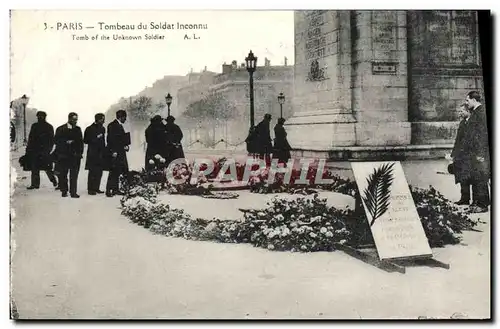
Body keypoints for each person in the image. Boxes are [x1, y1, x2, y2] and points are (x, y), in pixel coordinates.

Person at [464, 91, 490, 213]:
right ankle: (476, 202)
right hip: (473, 152)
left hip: (479, 153)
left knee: (480, 177)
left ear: (474, 100)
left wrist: (480, 153)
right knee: (475, 177)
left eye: (467, 100)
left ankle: (483, 204)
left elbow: (482, 135)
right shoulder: (476, 112)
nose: (466, 102)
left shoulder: (481, 113)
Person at [25, 111, 58, 190]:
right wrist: (28, 149)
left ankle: (54, 181)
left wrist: (48, 150)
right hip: (35, 150)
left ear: (45, 117)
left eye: (41, 116)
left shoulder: (49, 127)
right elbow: (31, 138)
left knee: (47, 168)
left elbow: (52, 140)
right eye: (39, 116)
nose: (40, 117)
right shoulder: (34, 126)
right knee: (34, 168)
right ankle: (35, 184)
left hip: (45, 151)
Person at [54, 112, 84, 198]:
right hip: (64, 156)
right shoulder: (60, 129)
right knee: (63, 174)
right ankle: (64, 191)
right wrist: (65, 142)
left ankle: (73, 192)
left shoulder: (78, 129)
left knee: (74, 176)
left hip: (75, 156)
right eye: (74, 119)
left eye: (76, 119)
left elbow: (80, 142)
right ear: (69, 119)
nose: (75, 121)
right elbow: (56, 141)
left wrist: (80, 153)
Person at [450, 105, 472, 205]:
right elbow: (458, 140)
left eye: (462, 111)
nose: (460, 113)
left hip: (470, 155)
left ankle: (475, 200)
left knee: (470, 177)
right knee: (462, 177)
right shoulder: (463, 122)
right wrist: (453, 154)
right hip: (461, 155)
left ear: (468, 111)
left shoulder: (473, 122)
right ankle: (464, 199)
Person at [105, 110, 130, 197]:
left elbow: (120, 139)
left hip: (120, 151)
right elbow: (111, 139)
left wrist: (126, 145)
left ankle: (115, 189)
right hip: (115, 152)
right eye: (125, 117)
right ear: (121, 117)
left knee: (118, 170)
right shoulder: (112, 125)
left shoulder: (119, 125)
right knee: (113, 171)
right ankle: (108, 190)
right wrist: (113, 151)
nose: (125, 119)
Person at [84, 113, 106, 195]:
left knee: (99, 171)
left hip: (101, 153)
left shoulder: (103, 129)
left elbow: (103, 141)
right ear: (98, 119)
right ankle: (90, 189)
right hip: (92, 153)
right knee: (92, 171)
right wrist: (96, 138)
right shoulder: (89, 129)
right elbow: (85, 140)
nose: (104, 121)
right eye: (102, 119)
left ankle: (96, 188)